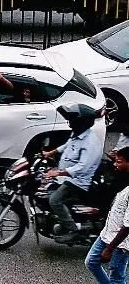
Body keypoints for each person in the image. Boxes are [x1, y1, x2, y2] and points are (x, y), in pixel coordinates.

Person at [43, 103, 105, 243]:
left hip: (78, 181)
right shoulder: (77, 134)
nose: (69, 124)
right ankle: (63, 220)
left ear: (81, 123)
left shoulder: (91, 143)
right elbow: (67, 145)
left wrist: (58, 173)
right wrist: (50, 153)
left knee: (55, 200)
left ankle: (73, 230)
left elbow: (82, 168)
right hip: (66, 178)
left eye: (72, 121)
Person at [86, 146, 129, 284]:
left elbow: (128, 225)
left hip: (121, 243)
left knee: (117, 278)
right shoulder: (122, 179)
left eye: (119, 161)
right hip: (107, 234)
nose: (115, 164)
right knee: (91, 262)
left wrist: (109, 249)